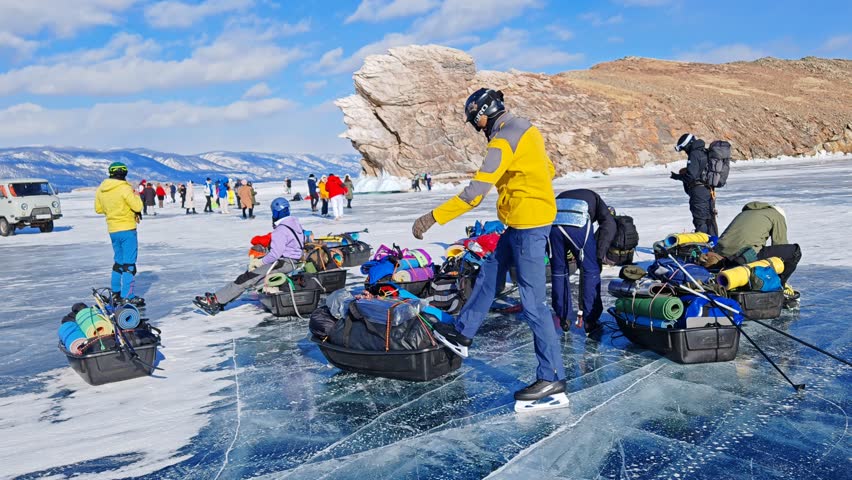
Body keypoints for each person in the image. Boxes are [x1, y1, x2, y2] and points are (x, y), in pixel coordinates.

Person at [412, 88, 567, 411]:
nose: (476, 126)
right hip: (520, 222)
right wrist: (520, 187)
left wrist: (432, 217)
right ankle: (462, 333)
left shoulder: (502, 140)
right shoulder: (526, 128)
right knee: (490, 274)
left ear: (483, 113)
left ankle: (551, 376)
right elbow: (548, 169)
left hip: (529, 226)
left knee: (533, 303)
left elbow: (475, 193)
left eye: (475, 120)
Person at [194, 198, 305, 315]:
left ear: (275, 212)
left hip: (284, 263)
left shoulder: (281, 230)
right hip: (292, 262)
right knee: (252, 278)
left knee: (248, 277)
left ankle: (215, 301)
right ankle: (222, 299)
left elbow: (275, 254)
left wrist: (261, 262)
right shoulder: (294, 224)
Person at [703, 202, 801, 307]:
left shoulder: (746, 213)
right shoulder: (777, 215)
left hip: (722, 257)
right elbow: (780, 245)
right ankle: (779, 287)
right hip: (745, 255)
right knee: (794, 251)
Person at [550, 189, 617, 335]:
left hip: (553, 224)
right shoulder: (597, 200)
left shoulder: (564, 195)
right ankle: (590, 321)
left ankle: (563, 318)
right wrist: (599, 255)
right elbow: (609, 225)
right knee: (590, 271)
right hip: (577, 223)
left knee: (559, 271)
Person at [94, 162, 145, 307]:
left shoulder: (101, 189)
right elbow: (137, 206)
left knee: (118, 262)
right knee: (129, 264)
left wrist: (113, 210)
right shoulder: (124, 188)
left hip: (113, 229)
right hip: (127, 228)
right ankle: (127, 296)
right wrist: (136, 195)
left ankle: (116, 293)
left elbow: (98, 209)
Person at [671, 133, 718, 237]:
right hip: (708, 190)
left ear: (688, 144)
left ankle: (702, 243)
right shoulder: (704, 151)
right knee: (710, 219)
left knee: (700, 219)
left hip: (699, 192)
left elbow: (691, 176)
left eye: (684, 149)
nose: (685, 151)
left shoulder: (694, 154)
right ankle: (714, 243)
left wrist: (677, 176)